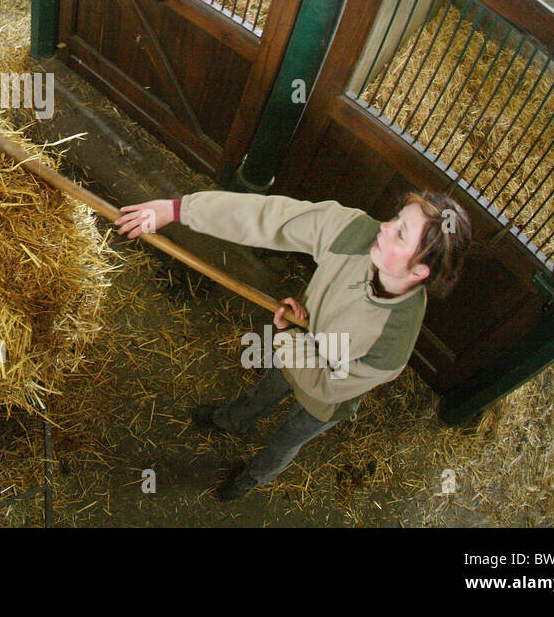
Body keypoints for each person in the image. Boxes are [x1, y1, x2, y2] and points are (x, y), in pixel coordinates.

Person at [114, 189, 471, 501]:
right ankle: (229, 420)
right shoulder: (355, 232)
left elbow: (326, 386)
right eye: (395, 219)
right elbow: (271, 216)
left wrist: (287, 338)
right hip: (298, 344)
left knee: (286, 440)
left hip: (322, 401)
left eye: (400, 234)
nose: (384, 227)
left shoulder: (393, 346)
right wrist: (177, 210)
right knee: (266, 388)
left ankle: (251, 479)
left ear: (419, 271)